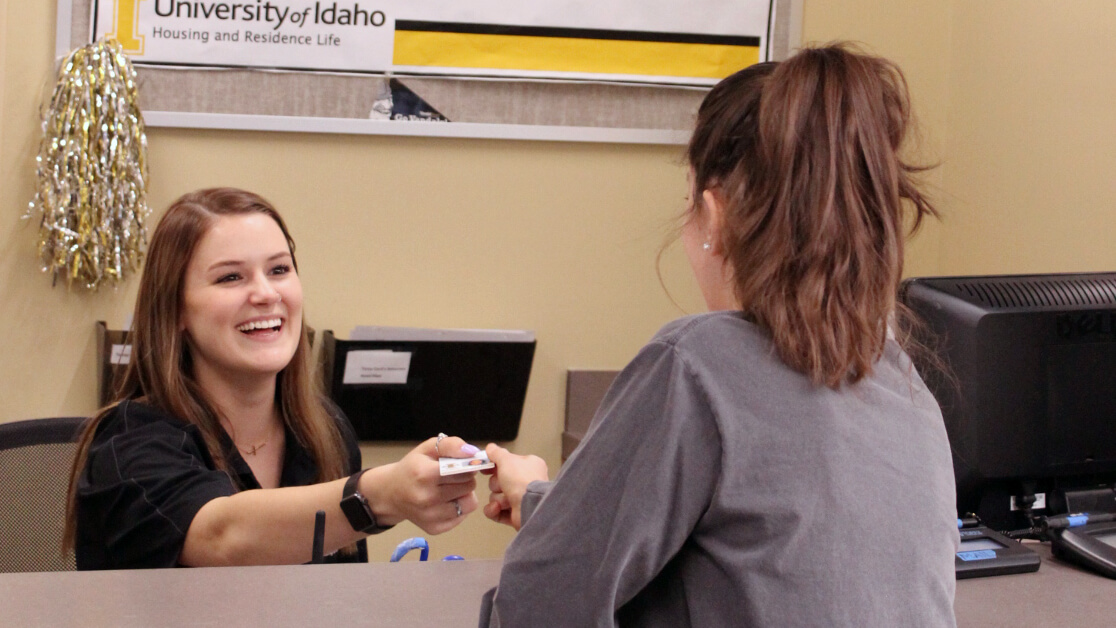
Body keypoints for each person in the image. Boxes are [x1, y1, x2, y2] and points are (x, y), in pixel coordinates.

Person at [479, 44, 959, 626]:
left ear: (715, 215)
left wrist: (548, 532)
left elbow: (540, 602)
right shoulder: (902, 384)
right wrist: (542, 504)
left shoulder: (694, 364)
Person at [64, 188, 480, 569]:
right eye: (231, 277)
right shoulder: (127, 445)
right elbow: (222, 537)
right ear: (175, 313)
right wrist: (378, 495)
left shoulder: (324, 430)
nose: (266, 294)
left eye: (279, 270)